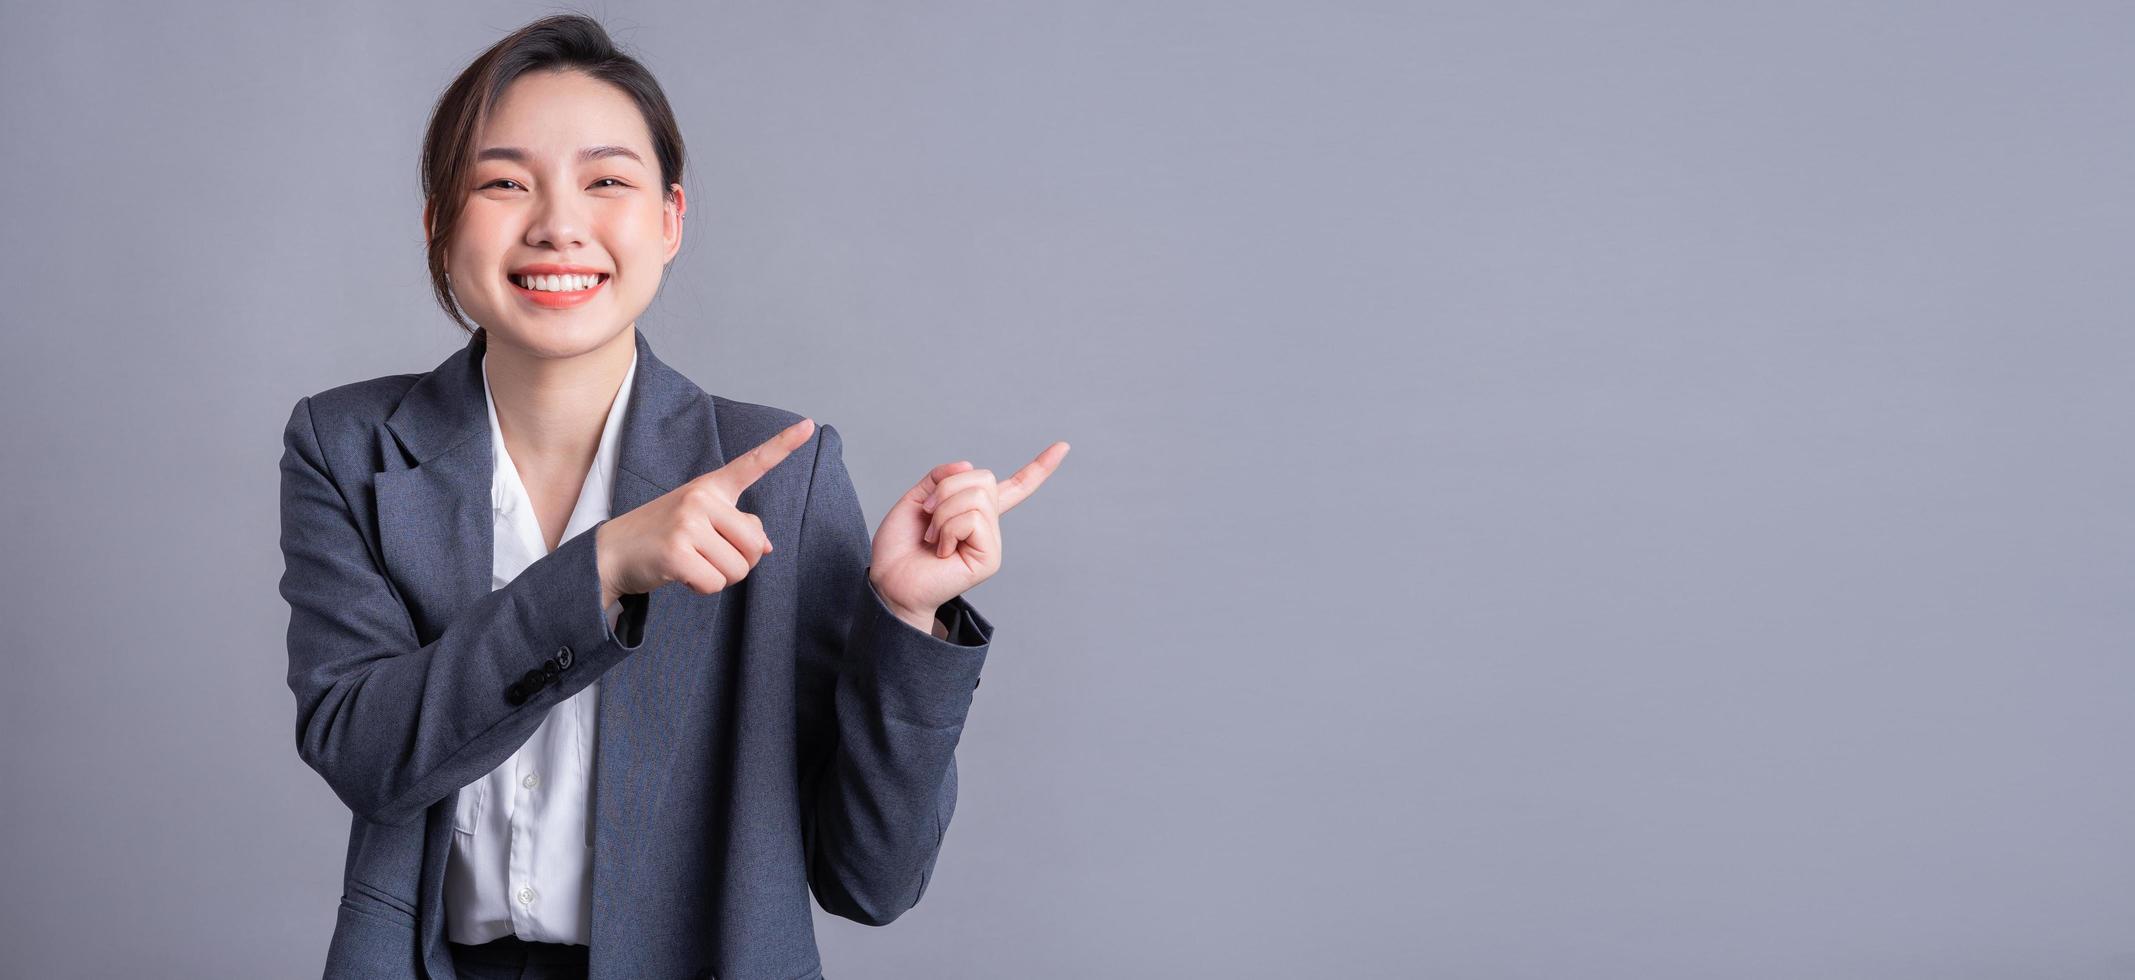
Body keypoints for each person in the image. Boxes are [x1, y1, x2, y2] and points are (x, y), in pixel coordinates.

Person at [276, 14, 1067, 979]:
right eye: (502, 182)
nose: (557, 223)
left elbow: (871, 881)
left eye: (607, 180)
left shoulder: (780, 471)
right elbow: (363, 757)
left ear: (669, 220)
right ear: (441, 224)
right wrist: (602, 565)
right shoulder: (345, 445)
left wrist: (908, 621)